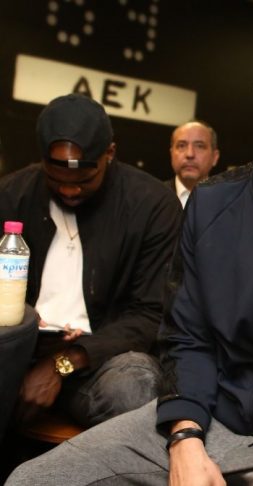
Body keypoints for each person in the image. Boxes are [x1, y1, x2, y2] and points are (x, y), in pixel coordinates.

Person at [7, 45, 253, 486]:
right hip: (206, 414)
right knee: (32, 479)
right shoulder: (212, 203)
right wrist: (185, 435)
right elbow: (186, 336)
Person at [0, 94, 181, 428]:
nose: (69, 191)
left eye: (84, 180)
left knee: (134, 387)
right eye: (56, 180)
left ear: (109, 153)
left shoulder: (152, 205)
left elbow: (151, 314)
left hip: (99, 361)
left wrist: (64, 362)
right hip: (16, 351)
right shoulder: (11, 195)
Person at [166, 120, 220, 208]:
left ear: (214, 157)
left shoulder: (230, 202)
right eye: (181, 146)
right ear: (171, 154)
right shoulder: (153, 197)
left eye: (200, 146)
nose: (190, 154)